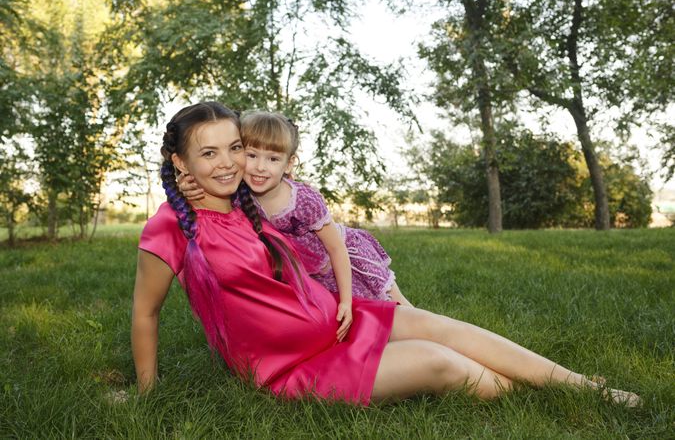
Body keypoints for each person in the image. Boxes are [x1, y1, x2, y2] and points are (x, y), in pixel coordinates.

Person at [131, 101, 640, 407]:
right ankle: (544, 391)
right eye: (208, 153)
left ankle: (580, 387)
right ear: (180, 161)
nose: (229, 163)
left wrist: (202, 180)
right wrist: (148, 394)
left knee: (442, 326)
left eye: (234, 147)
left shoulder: (250, 196)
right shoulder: (174, 225)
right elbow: (145, 313)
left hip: (335, 321)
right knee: (440, 363)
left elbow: (277, 172)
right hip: (290, 370)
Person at [178, 111, 413, 321]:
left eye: (273, 159)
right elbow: (206, 188)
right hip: (311, 274)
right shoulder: (240, 196)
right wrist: (184, 186)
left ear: (289, 163)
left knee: (395, 305)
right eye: (251, 155)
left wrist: (346, 300)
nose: (260, 167)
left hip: (344, 258)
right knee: (366, 319)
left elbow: (336, 248)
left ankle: (429, 328)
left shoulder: (303, 201)